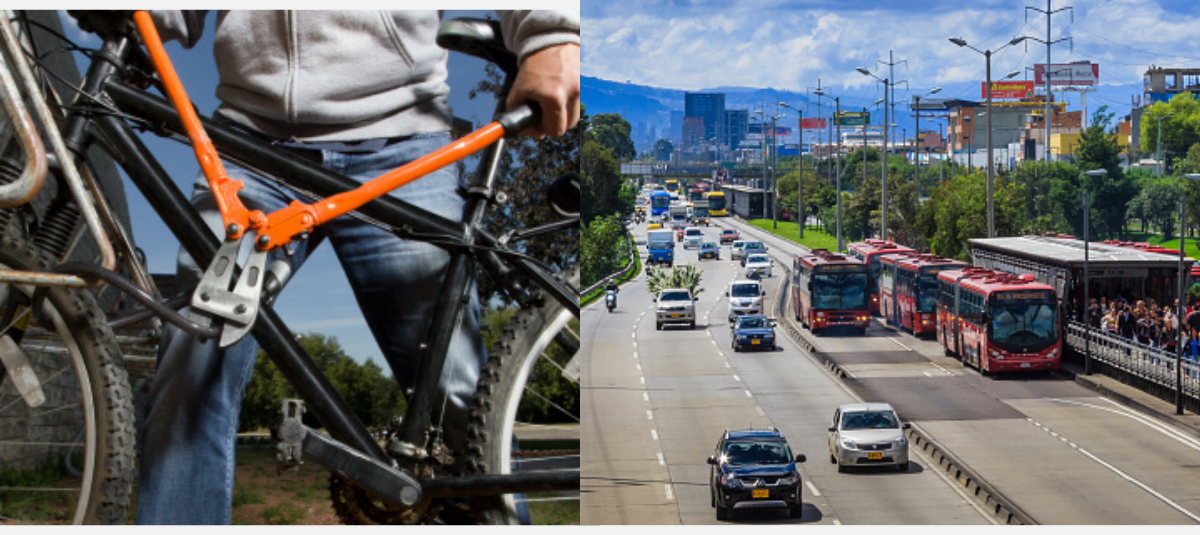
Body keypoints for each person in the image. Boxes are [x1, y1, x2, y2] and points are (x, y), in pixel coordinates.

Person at [132, 10, 579, 525]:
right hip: (246, 145)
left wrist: (552, 33)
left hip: (402, 138)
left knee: (461, 397)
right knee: (192, 358)